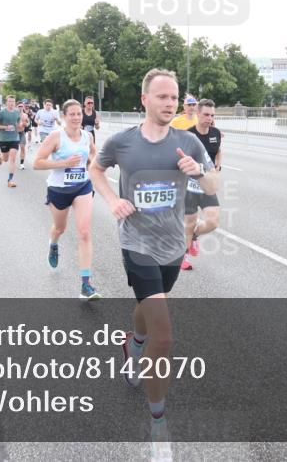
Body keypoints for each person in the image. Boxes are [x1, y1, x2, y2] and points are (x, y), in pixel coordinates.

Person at [89, 68, 218, 458]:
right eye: (161, 96)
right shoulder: (123, 142)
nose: (169, 103)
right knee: (165, 335)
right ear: (144, 99)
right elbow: (97, 169)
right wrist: (112, 201)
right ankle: (158, 421)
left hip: (172, 245)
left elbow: (213, 186)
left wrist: (199, 172)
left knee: (151, 309)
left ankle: (134, 343)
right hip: (137, 243)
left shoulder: (189, 142)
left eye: (174, 97)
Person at [34, 99, 100, 299]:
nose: (76, 117)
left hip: (82, 187)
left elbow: (94, 156)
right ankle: (53, 244)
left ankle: (85, 285)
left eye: (79, 114)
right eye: (71, 114)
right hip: (59, 189)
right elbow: (37, 163)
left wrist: (96, 165)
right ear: (63, 117)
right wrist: (63, 163)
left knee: (85, 232)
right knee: (60, 228)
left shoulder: (87, 136)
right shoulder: (56, 136)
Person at [182, 99, 223, 271]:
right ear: (198, 114)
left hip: (206, 185)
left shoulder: (215, 133)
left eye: (212, 115)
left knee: (213, 222)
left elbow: (218, 150)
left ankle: (194, 237)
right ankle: (182, 256)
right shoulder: (188, 135)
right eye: (206, 114)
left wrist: (218, 165)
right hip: (190, 186)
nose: (209, 118)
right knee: (189, 224)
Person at [0, 95, 25, 188]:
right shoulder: (2, 113)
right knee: (6, 159)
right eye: (9, 101)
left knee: (13, 158)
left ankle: (10, 180)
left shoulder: (17, 112)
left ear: (15, 103)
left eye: (13, 101)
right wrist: (5, 127)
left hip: (14, 138)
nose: (11, 103)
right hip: (4, 139)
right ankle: (0, 156)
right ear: (6, 102)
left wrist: (20, 125)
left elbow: (18, 123)